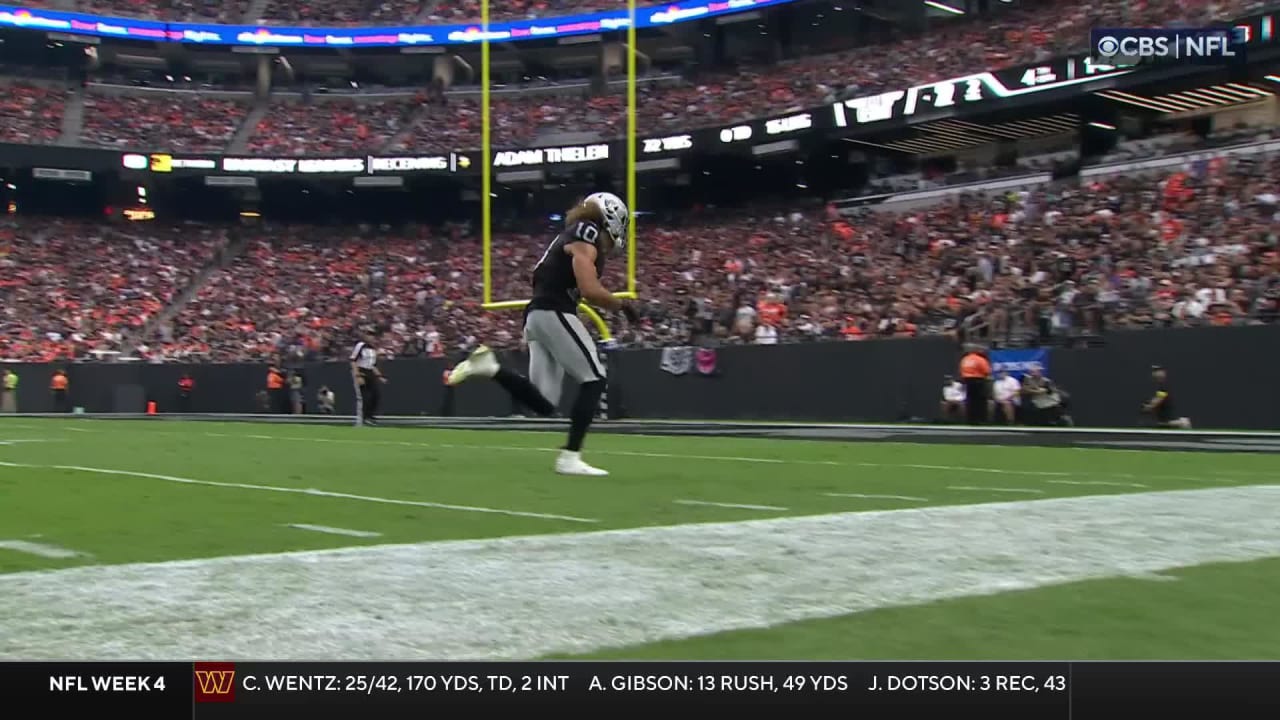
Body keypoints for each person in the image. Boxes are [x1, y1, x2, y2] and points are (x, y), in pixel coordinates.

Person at [447, 192, 639, 476]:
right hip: (554, 311)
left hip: (538, 316)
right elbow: (588, 289)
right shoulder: (587, 233)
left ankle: (490, 368)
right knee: (595, 378)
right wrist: (622, 306)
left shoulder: (573, 237)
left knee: (545, 402)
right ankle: (570, 457)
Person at [351, 330, 385, 426]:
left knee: (376, 395)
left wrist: (379, 376)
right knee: (363, 397)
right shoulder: (360, 346)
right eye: (369, 335)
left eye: (372, 336)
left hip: (370, 372)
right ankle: (361, 420)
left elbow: (372, 365)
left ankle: (370, 416)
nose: (371, 337)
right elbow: (353, 360)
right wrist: (358, 375)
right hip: (361, 370)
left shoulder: (373, 349)